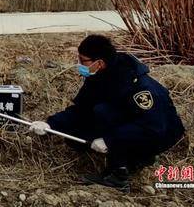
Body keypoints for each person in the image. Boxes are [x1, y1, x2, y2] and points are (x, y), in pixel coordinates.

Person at [29, 35, 185, 192]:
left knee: (103, 112)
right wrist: (50, 124)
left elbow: (153, 126)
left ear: (100, 63)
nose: (79, 64)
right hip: (133, 124)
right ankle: (129, 160)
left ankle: (121, 173)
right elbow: (81, 110)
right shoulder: (98, 77)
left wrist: (109, 141)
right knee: (77, 134)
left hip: (161, 132)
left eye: (83, 60)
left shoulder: (139, 87)